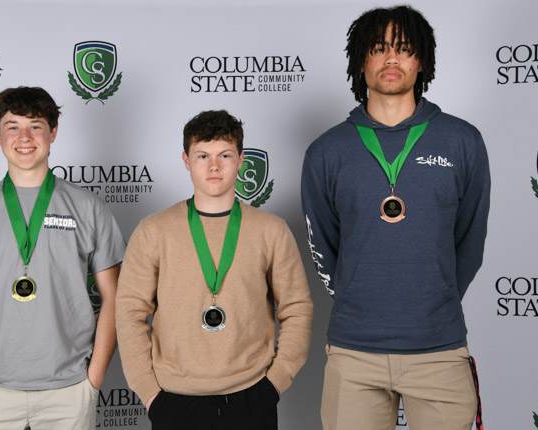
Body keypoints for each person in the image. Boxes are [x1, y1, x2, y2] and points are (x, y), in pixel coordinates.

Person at [301, 6, 490, 430]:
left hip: (439, 350)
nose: (391, 59)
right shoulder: (327, 152)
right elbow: (323, 245)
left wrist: (432, 301)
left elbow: (470, 241)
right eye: (379, 48)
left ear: (420, 60)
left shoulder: (463, 141)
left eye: (404, 49)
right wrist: (360, 297)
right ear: (361, 61)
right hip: (354, 352)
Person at [0, 86, 125, 429]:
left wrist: (92, 381)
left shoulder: (88, 208)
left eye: (35, 125)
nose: (24, 137)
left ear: (53, 132)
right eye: (12, 126)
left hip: (69, 392)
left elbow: (115, 298)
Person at [116, 110, 313, 430]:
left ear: (241, 159)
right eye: (202, 155)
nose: (213, 166)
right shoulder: (154, 231)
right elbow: (129, 313)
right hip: (174, 400)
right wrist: (150, 393)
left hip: (251, 396)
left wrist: (274, 383)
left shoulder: (271, 230)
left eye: (224, 155)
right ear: (185, 160)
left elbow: (297, 308)